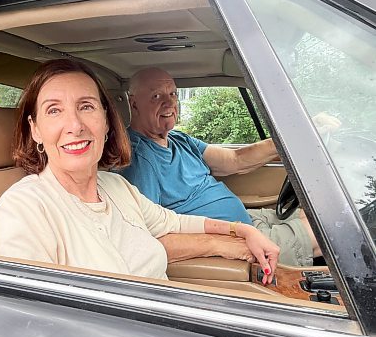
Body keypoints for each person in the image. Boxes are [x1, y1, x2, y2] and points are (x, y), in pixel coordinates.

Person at [0, 59, 279, 283]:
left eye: (86, 106)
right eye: (54, 110)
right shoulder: (23, 208)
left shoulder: (116, 187)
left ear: (105, 121)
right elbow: (24, 320)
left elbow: (176, 223)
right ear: (35, 130)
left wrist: (240, 231)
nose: (75, 125)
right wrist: (228, 245)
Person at [119, 67, 341, 267]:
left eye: (173, 93)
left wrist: (296, 135)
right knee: (332, 232)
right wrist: (224, 243)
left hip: (244, 223)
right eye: (156, 96)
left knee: (319, 216)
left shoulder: (179, 140)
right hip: (233, 242)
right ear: (134, 103)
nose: (169, 103)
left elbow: (235, 160)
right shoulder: (138, 159)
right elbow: (149, 236)